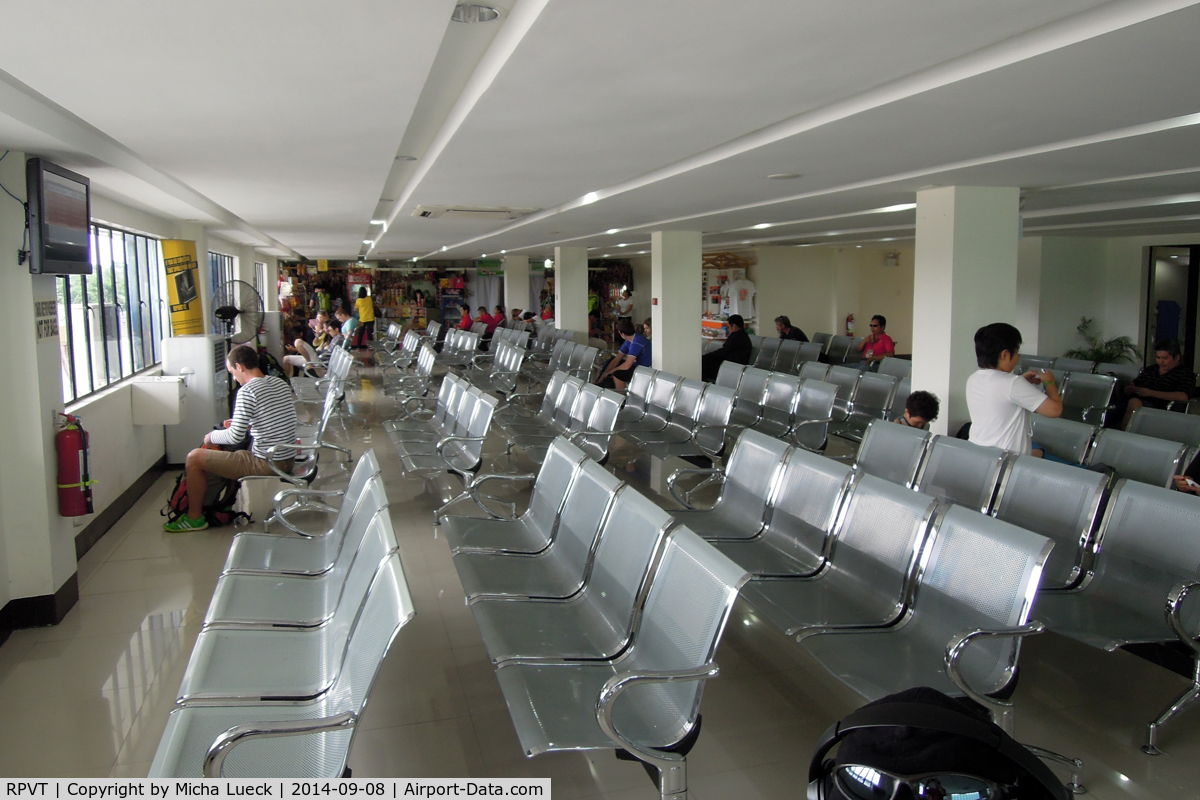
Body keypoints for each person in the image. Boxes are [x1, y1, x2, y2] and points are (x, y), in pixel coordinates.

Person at [164, 344, 298, 532]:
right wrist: (245, 423)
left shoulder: (247, 391)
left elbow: (235, 436)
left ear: (240, 367)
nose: (234, 377)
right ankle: (222, 504)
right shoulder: (279, 383)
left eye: (232, 371)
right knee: (228, 452)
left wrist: (211, 436)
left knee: (195, 457)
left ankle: (194, 517)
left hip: (267, 462)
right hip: (287, 457)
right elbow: (274, 418)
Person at [965, 322, 1062, 456]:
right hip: (1006, 464)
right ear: (1005, 355)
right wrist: (1049, 382)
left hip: (980, 455)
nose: (1018, 357)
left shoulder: (973, 379)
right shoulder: (1012, 384)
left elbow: (1001, 395)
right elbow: (1055, 410)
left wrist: (1021, 381)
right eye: (1016, 351)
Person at [1121, 339, 1195, 428]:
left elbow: (1183, 396)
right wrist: (1130, 388)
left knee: (1134, 403)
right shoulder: (1151, 370)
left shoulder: (1184, 373)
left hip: (1161, 407)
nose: (1161, 361)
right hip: (1137, 400)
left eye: (1165, 358)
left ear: (1177, 358)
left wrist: (1150, 393)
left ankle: (1125, 434)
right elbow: (1135, 383)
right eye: (1158, 358)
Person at [597, 318, 651, 390]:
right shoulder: (629, 340)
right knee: (610, 361)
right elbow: (617, 359)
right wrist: (604, 374)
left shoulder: (637, 342)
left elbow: (627, 365)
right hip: (636, 365)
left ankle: (622, 397)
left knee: (618, 374)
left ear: (622, 334)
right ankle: (599, 383)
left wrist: (611, 372)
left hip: (644, 369)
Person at [701, 314, 753, 382]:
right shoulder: (744, 335)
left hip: (731, 366)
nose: (728, 329)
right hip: (735, 363)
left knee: (704, 363)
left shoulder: (736, 337)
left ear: (734, 326)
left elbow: (723, 352)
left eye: (728, 327)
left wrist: (707, 356)